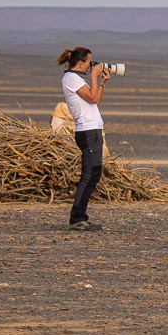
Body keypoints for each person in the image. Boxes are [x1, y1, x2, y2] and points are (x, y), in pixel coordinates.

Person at [57, 47, 111, 231]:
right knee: (88, 175)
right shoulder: (71, 78)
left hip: (93, 130)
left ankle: (81, 216)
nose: (91, 65)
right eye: (89, 62)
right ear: (80, 62)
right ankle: (76, 218)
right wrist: (94, 77)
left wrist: (101, 82)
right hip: (87, 131)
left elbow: (95, 98)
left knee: (94, 173)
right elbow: (92, 99)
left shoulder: (77, 79)